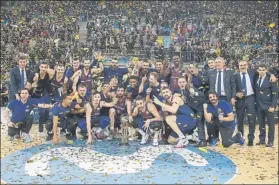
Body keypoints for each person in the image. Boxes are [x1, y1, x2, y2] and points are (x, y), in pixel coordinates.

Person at [235, 60, 277, 146]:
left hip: (251, 99)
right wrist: (236, 94)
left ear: (247, 65)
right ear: (238, 66)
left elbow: (265, 72)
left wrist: (272, 75)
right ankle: (243, 138)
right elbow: (231, 86)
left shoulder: (253, 73)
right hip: (244, 101)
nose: (242, 66)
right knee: (241, 121)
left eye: (244, 65)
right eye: (241, 65)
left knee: (253, 121)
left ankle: (253, 139)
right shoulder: (234, 75)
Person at [255, 64, 278, 147]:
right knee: (261, 124)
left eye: (263, 69)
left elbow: (275, 94)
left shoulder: (271, 79)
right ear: (258, 70)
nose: (261, 71)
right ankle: (262, 140)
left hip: (269, 106)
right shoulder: (256, 77)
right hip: (259, 105)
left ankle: (270, 141)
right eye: (260, 69)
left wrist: (273, 106)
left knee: (271, 125)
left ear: (266, 70)